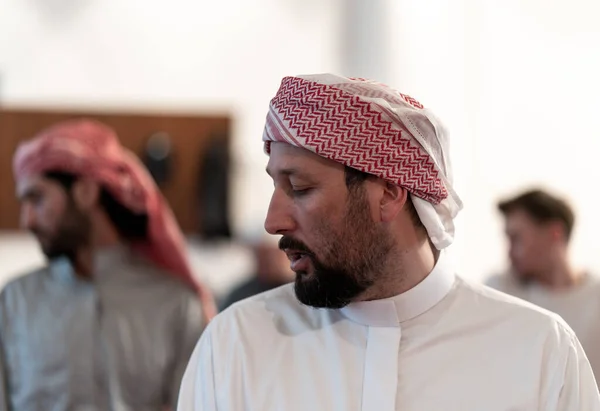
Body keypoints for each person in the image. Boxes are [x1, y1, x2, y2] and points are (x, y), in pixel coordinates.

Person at [178, 74, 600, 410]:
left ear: (390, 193)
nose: (273, 221)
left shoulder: (540, 351)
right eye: (275, 185)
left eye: (300, 188)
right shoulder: (235, 345)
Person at [0, 119, 217, 411]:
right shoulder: (14, 302)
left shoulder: (176, 305)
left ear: (86, 192)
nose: (27, 220)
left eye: (36, 198)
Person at [487, 188, 600, 383]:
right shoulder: (498, 292)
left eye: (516, 238)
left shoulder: (595, 300)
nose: (509, 252)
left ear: (555, 233)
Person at [219, 235, 294, 311]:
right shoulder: (241, 295)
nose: (267, 261)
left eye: (271, 254)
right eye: (262, 254)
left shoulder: (302, 291)